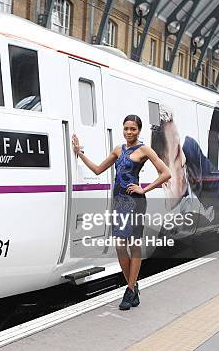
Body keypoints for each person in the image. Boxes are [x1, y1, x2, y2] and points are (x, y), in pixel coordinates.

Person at [72, 115, 171, 310]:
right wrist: (79, 153)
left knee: (134, 245)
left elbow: (165, 172)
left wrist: (144, 189)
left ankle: (130, 289)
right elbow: (99, 170)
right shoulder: (119, 149)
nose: (129, 132)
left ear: (139, 130)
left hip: (135, 202)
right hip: (119, 202)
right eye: (126, 128)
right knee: (119, 245)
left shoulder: (144, 150)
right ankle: (133, 288)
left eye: (133, 129)